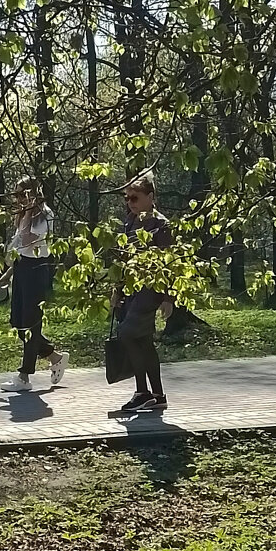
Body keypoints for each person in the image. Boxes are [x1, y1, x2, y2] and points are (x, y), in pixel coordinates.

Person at [0, 176, 69, 391]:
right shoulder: (22, 215)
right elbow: (19, 249)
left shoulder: (44, 215)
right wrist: (9, 274)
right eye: (16, 195)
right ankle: (55, 357)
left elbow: (30, 241)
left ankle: (24, 377)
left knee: (30, 324)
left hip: (36, 270)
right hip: (22, 268)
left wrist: (28, 211)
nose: (19, 199)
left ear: (33, 193)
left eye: (22, 194)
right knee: (18, 323)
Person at [111, 175, 173, 412]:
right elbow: (123, 258)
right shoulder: (130, 222)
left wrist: (168, 298)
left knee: (126, 334)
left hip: (151, 289)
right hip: (131, 288)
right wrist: (117, 290)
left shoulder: (161, 224)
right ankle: (157, 395)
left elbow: (171, 264)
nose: (130, 202)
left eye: (135, 197)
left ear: (151, 197)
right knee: (144, 341)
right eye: (127, 198)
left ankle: (142, 392)